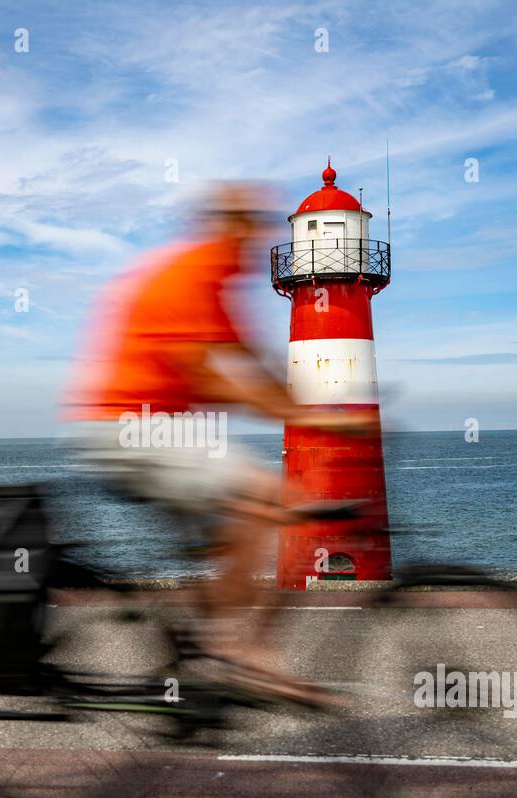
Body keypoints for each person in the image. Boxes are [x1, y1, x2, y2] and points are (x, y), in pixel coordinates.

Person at [65, 182, 376, 704]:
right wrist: (305, 416)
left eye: (257, 225)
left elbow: (250, 360)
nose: (254, 237)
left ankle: (201, 641)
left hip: (162, 431)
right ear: (224, 226)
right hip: (130, 428)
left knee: (262, 520)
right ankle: (242, 654)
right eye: (246, 225)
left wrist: (313, 415)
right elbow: (211, 379)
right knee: (266, 498)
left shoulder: (216, 286)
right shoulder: (186, 278)